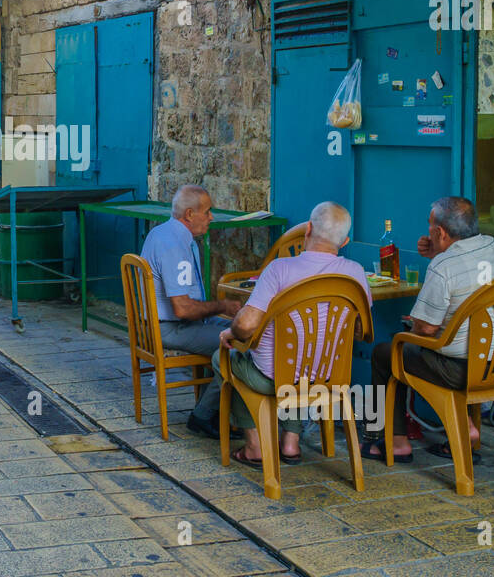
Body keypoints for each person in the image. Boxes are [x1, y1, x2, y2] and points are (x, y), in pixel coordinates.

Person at [217, 202, 371, 466]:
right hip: (328, 377)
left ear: (308, 229)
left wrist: (231, 333)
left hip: (273, 378)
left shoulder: (280, 269)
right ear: (344, 241)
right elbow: (361, 331)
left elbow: (246, 325)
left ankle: (255, 447)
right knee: (306, 358)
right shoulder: (355, 273)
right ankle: (290, 442)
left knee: (228, 359)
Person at [364, 196, 494, 463]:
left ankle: (394, 441)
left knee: (385, 353)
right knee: (441, 344)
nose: (428, 231)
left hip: (460, 370)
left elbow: (426, 329)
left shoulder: (444, 266)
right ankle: (465, 425)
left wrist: (414, 324)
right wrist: (438, 251)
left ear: (440, 232)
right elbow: (468, 273)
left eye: (431, 227)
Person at [140, 185, 245, 439]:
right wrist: (223, 306)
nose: (211, 217)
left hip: (165, 322)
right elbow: (184, 309)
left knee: (243, 333)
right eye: (207, 212)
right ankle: (204, 415)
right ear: (189, 214)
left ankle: (226, 413)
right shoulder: (174, 244)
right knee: (242, 346)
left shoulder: (162, 233)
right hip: (170, 327)